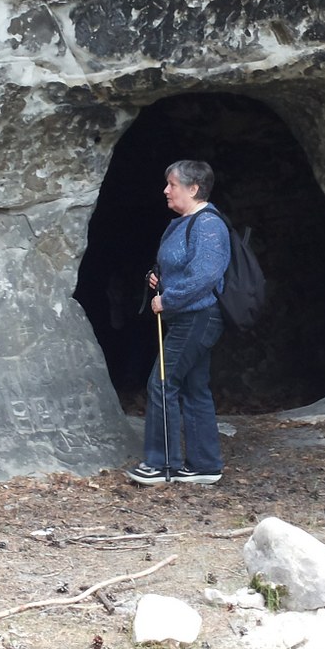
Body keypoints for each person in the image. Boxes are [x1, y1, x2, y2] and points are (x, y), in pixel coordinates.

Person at [127, 159, 231, 486]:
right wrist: (157, 278)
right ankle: (204, 465)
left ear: (194, 188)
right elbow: (176, 266)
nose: (166, 190)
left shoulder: (209, 225)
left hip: (197, 318)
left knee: (161, 382)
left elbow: (206, 275)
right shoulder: (181, 223)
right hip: (185, 317)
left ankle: (161, 464)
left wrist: (167, 299)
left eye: (172, 184)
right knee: (193, 387)